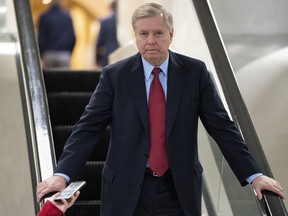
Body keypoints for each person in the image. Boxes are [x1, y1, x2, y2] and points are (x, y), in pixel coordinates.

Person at [36, 3, 285, 216]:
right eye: (143, 34)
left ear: (171, 34)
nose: (151, 41)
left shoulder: (194, 73)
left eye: (158, 33)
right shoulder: (115, 76)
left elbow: (222, 128)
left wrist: (254, 175)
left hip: (178, 189)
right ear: (135, 36)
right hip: (125, 188)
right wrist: (63, 174)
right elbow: (88, 128)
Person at [37, 0, 76, 68]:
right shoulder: (67, 17)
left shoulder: (44, 17)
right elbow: (72, 38)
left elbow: (41, 38)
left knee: (49, 78)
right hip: (63, 54)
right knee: (64, 78)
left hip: (48, 54)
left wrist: (42, 53)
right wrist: (68, 52)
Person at [95, 0, 119, 67]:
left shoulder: (105, 22)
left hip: (107, 55)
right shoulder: (123, 21)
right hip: (121, 53)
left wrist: (97, 59)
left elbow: (100, 42)